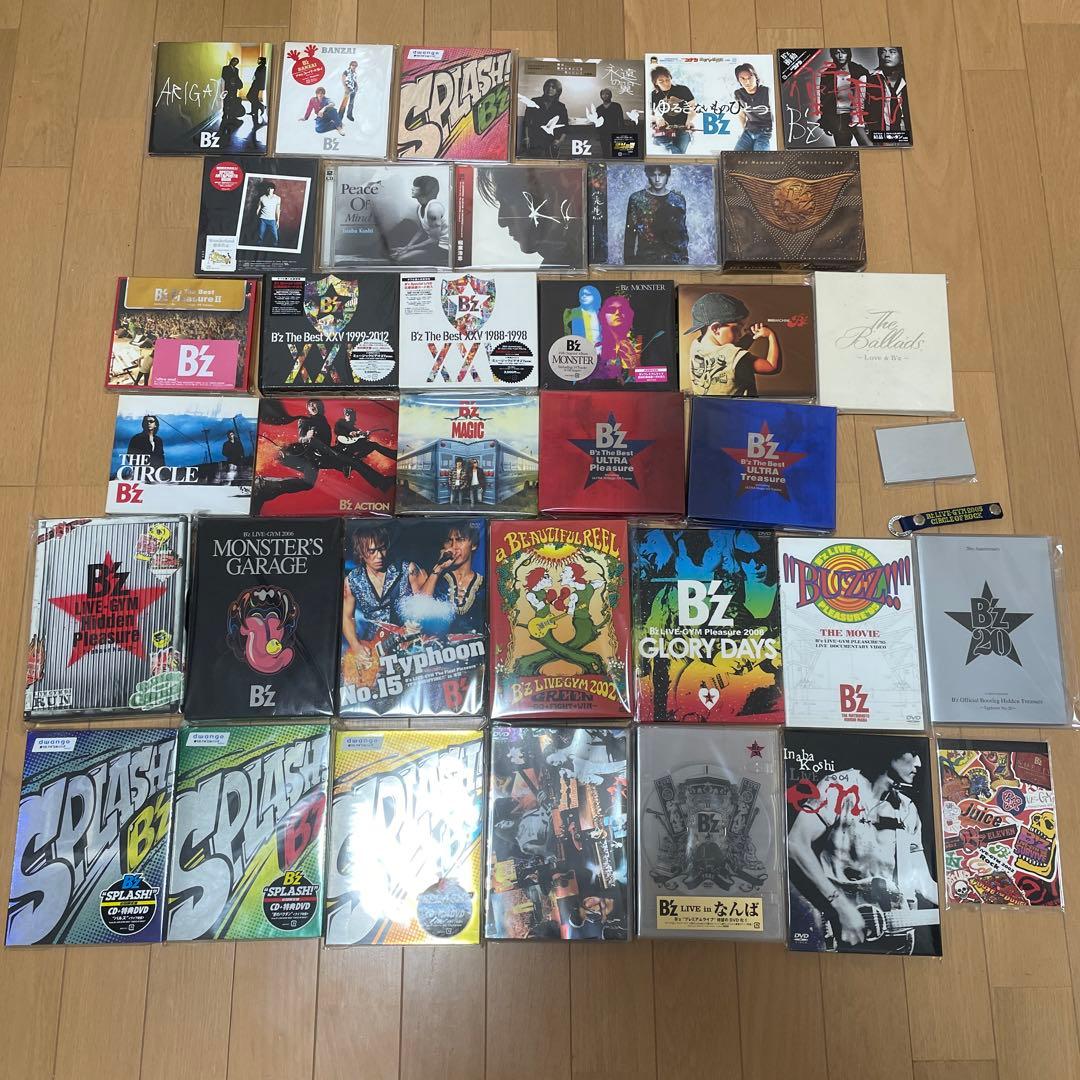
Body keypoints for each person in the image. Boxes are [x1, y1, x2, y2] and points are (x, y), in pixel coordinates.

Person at [787, 744, 940, 953]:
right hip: (829, 922)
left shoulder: (907, 810)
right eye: (913, 753)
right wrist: (841, 906)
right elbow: (796, 843)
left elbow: (924, 883)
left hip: (887, 937)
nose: (919, 763)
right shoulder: (840, 786)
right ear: (890, 751)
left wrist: (959, 904)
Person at [475, 166, 579, 267]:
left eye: (508, 200)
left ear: (549, 193)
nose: (502, 221)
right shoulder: (555, 268)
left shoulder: (574, 261)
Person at [684, 292, 781, 396]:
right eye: (737, 329)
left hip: (707, 404)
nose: (740, 334)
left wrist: (750, 336)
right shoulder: (738, 359)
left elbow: (727, 353)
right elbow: (772, 367)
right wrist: (771, 335)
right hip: (739, 406)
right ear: (715, 328)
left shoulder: (696, 346)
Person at [623, 164, 688, 265]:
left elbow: (682, 234)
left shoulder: (677, 200)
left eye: (661, 175)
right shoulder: (636, 199)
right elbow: (630, 234)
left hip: (673, 262)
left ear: (667, 175)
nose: (657, 179)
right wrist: (629, 264)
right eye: (653, 175)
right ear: (648, 175)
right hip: (645, 261)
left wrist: (684, 261)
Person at [431, 523, 485, 633]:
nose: (454, 546)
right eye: (448, 541)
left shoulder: (485, 585)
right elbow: (419, 611)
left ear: (473, 545)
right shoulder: (437, 578)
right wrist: (438, 568)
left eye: (460, 540)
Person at [817, 48, 872, 147]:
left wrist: (869, 118)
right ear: (833, 55)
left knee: (867, 146)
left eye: (843, 52)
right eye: (837, 53)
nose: (840, 56)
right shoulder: (827, 74)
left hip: (857, 115)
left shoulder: (859, 71)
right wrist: (825, 121)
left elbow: (869, 95)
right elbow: (824, 99)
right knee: (843, 149)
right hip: (839, 118)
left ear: (848, 54)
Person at [389, 175, 449, 265]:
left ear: (426, 190)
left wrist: (409, 248)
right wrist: (407, 247)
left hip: (444, 248)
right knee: (406, 224)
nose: (412, 189)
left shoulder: (433, 209)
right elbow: (421, 230)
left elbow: (434, 240)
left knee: (401, 258)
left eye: (416, 186)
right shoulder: (420, 207)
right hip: (433, 244)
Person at [333, 407, 395, 492]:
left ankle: (393, 455)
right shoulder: (341, 423)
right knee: (357, 462)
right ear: (345, 415)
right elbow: (338, 431)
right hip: (342, 452)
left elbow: (360, 442)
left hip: (353, 453)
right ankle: (382, 483)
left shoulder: (356, 429)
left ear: (354, 416)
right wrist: (352, 433)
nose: (349, 416)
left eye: (351, 415)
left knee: (373, 445)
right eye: (347, 414)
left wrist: (365, 436)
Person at [863, 47, 909, 142]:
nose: (886, 55)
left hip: (905, 138)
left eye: (892, 52)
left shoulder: (910, 81)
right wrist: (869, 145)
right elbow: (856, 120)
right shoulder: (866, 80)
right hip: (879, 139)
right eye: (883, 51)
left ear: (902, 57)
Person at [649, 65, 694, 153]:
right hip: (664, 130)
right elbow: (649, 114)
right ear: (655, 82)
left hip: (683, 128)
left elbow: (693, 108)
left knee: (679, 153)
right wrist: (657, 118)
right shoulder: (653, 95)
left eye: (668, 79)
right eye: (661, 81)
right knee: (674, 153)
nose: (666, 83)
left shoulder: (683, 89)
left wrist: (689, 120)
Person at [596, 295, 641, 382]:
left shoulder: (637, 343)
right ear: (603, 316)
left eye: (622, 310)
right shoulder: (597, 346)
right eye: (611, 310)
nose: (617, 313)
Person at [521, 77, 569, 158]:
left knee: (550, 164)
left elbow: (565, 127)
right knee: (533, 163)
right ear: (544, 88)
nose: (550, 89)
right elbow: (526, 122)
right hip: (535, 141)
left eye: (553, 87)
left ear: (558, 90)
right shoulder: (534, 101)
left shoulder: (561, 106)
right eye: (548, 86)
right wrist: (526, 138)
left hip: (552, 142)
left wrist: (560, 141)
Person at [732, 62, 773, 151]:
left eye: (750, 78)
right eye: (742, 78)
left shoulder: (767, 92)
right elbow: (741, 114)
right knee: (735, 157)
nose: (747, 82)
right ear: (739, 80)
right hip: (749, 132)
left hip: (766, 132)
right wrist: (744, 129)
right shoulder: (738, 94)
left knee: (760, 158)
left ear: (756, 77)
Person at [255, 181, 280, 245]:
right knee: (260, 236)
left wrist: (277, 221)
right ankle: (259, 247)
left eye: (271, 188)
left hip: (272, 220)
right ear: (266, 189)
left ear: (273, 190)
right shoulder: (262, 198)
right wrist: (257, 218)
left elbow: (277, 210)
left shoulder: (277, 198)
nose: (269, 190)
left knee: (275, 238)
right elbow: (258, 208)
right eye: (268, 188)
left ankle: (274, 247)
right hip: (263, 219)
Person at [221, 57, 243, 123]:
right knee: (226, 101)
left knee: (233, 101)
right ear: (231, 61)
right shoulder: (225, 68)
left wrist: (240, 84)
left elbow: (237, 77)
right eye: (234, 61)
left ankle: (232, 115)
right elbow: (224, 76)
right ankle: (225, 115)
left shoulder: (236, 69)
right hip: (228, 87)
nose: (235, 63)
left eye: (237, 62)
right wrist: (230, 81)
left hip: (234, 88)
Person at [247, 56, 267, 127]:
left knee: (249, 96)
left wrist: (257, 83)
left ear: (262, 61)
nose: (258, 61)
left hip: (257, 84)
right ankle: (254, 111)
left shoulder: (263, 67)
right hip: (255, 84)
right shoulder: (260, 67)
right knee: (254, 98)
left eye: (259, 60)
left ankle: (262, 106)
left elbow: (260, 77)